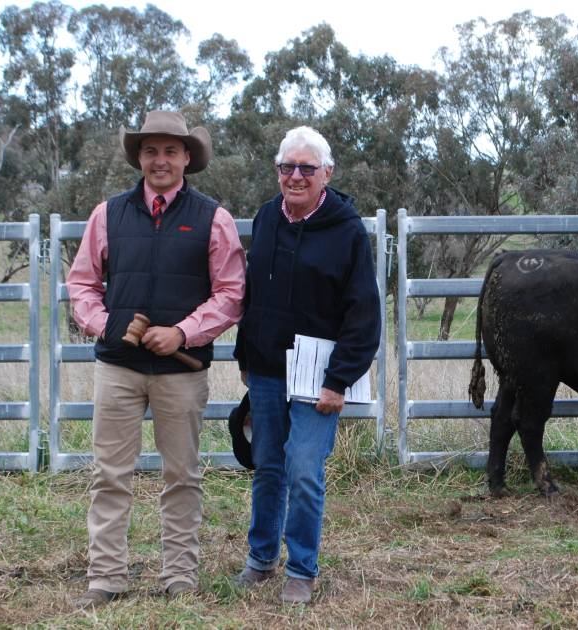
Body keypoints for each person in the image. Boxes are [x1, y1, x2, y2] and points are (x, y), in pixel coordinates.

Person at [66, 109, 246, 610]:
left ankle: (179, 575)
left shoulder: (214, 219)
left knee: (183, 474)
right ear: (139, 157)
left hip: (180, 373)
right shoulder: (108, 214)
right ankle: (106, 577)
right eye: (151, 150)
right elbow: (81, 285)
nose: (160, 160)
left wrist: (183, 333)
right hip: (117, 367)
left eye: (171, 150)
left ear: (188, 157)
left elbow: (231, 294)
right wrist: (105, 324)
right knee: (109, 474)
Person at [232, 126, 381, 604]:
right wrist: (245, 354)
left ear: (327, 173)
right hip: (268, 370)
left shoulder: (347, 231)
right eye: (286, 168)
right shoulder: (266, 218)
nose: (295, 176)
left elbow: (363, 311)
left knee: (303, 469)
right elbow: (253, 292)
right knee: (267, 465)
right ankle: (260, 558)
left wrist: (339, 380)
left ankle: (302, 568)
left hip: (318, 378)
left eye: (306, 168)